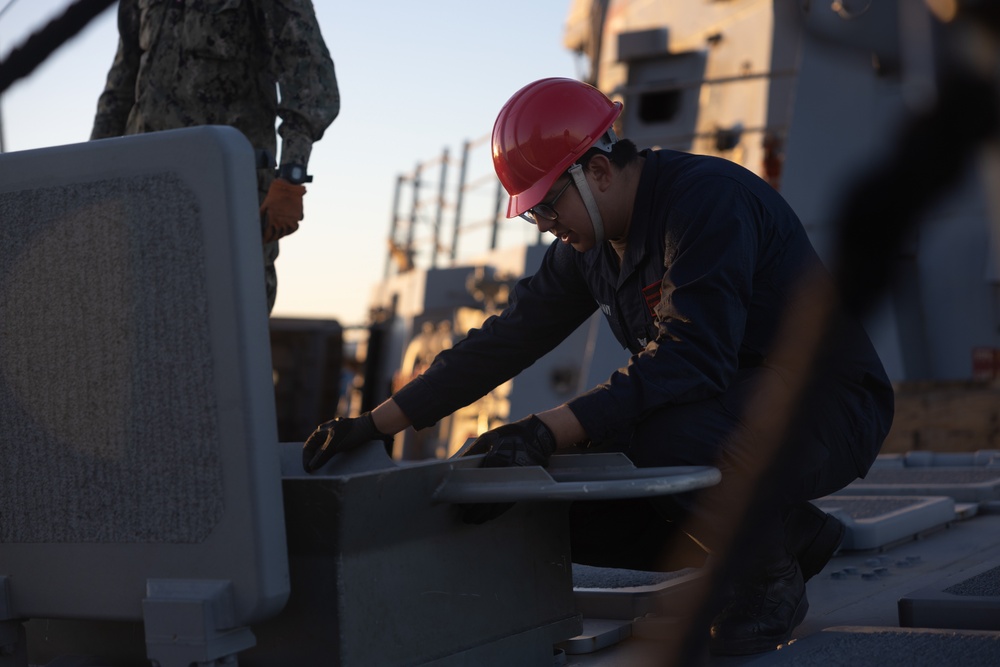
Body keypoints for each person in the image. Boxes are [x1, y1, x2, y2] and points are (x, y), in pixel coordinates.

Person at [301, 78, 894, 656]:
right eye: (533, 215)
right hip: (733, 415)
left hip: (828, 409)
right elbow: (506, 339)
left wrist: (541, 429)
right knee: (553, 499)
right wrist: (374, 425)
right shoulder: (588, 247)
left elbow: (694, 359)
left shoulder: (706, 200)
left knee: (667, 440)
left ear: (599, 172)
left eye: (547, 207)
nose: (545, 225)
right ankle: (789, 533)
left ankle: (769, 582)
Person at [90, 0, 340, 313]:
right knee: (139, 321)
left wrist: (291, 177)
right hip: (145, 193)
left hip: (225, 192)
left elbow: (310, 79)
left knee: (228, 320)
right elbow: (120, 86)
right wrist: (93, 179)